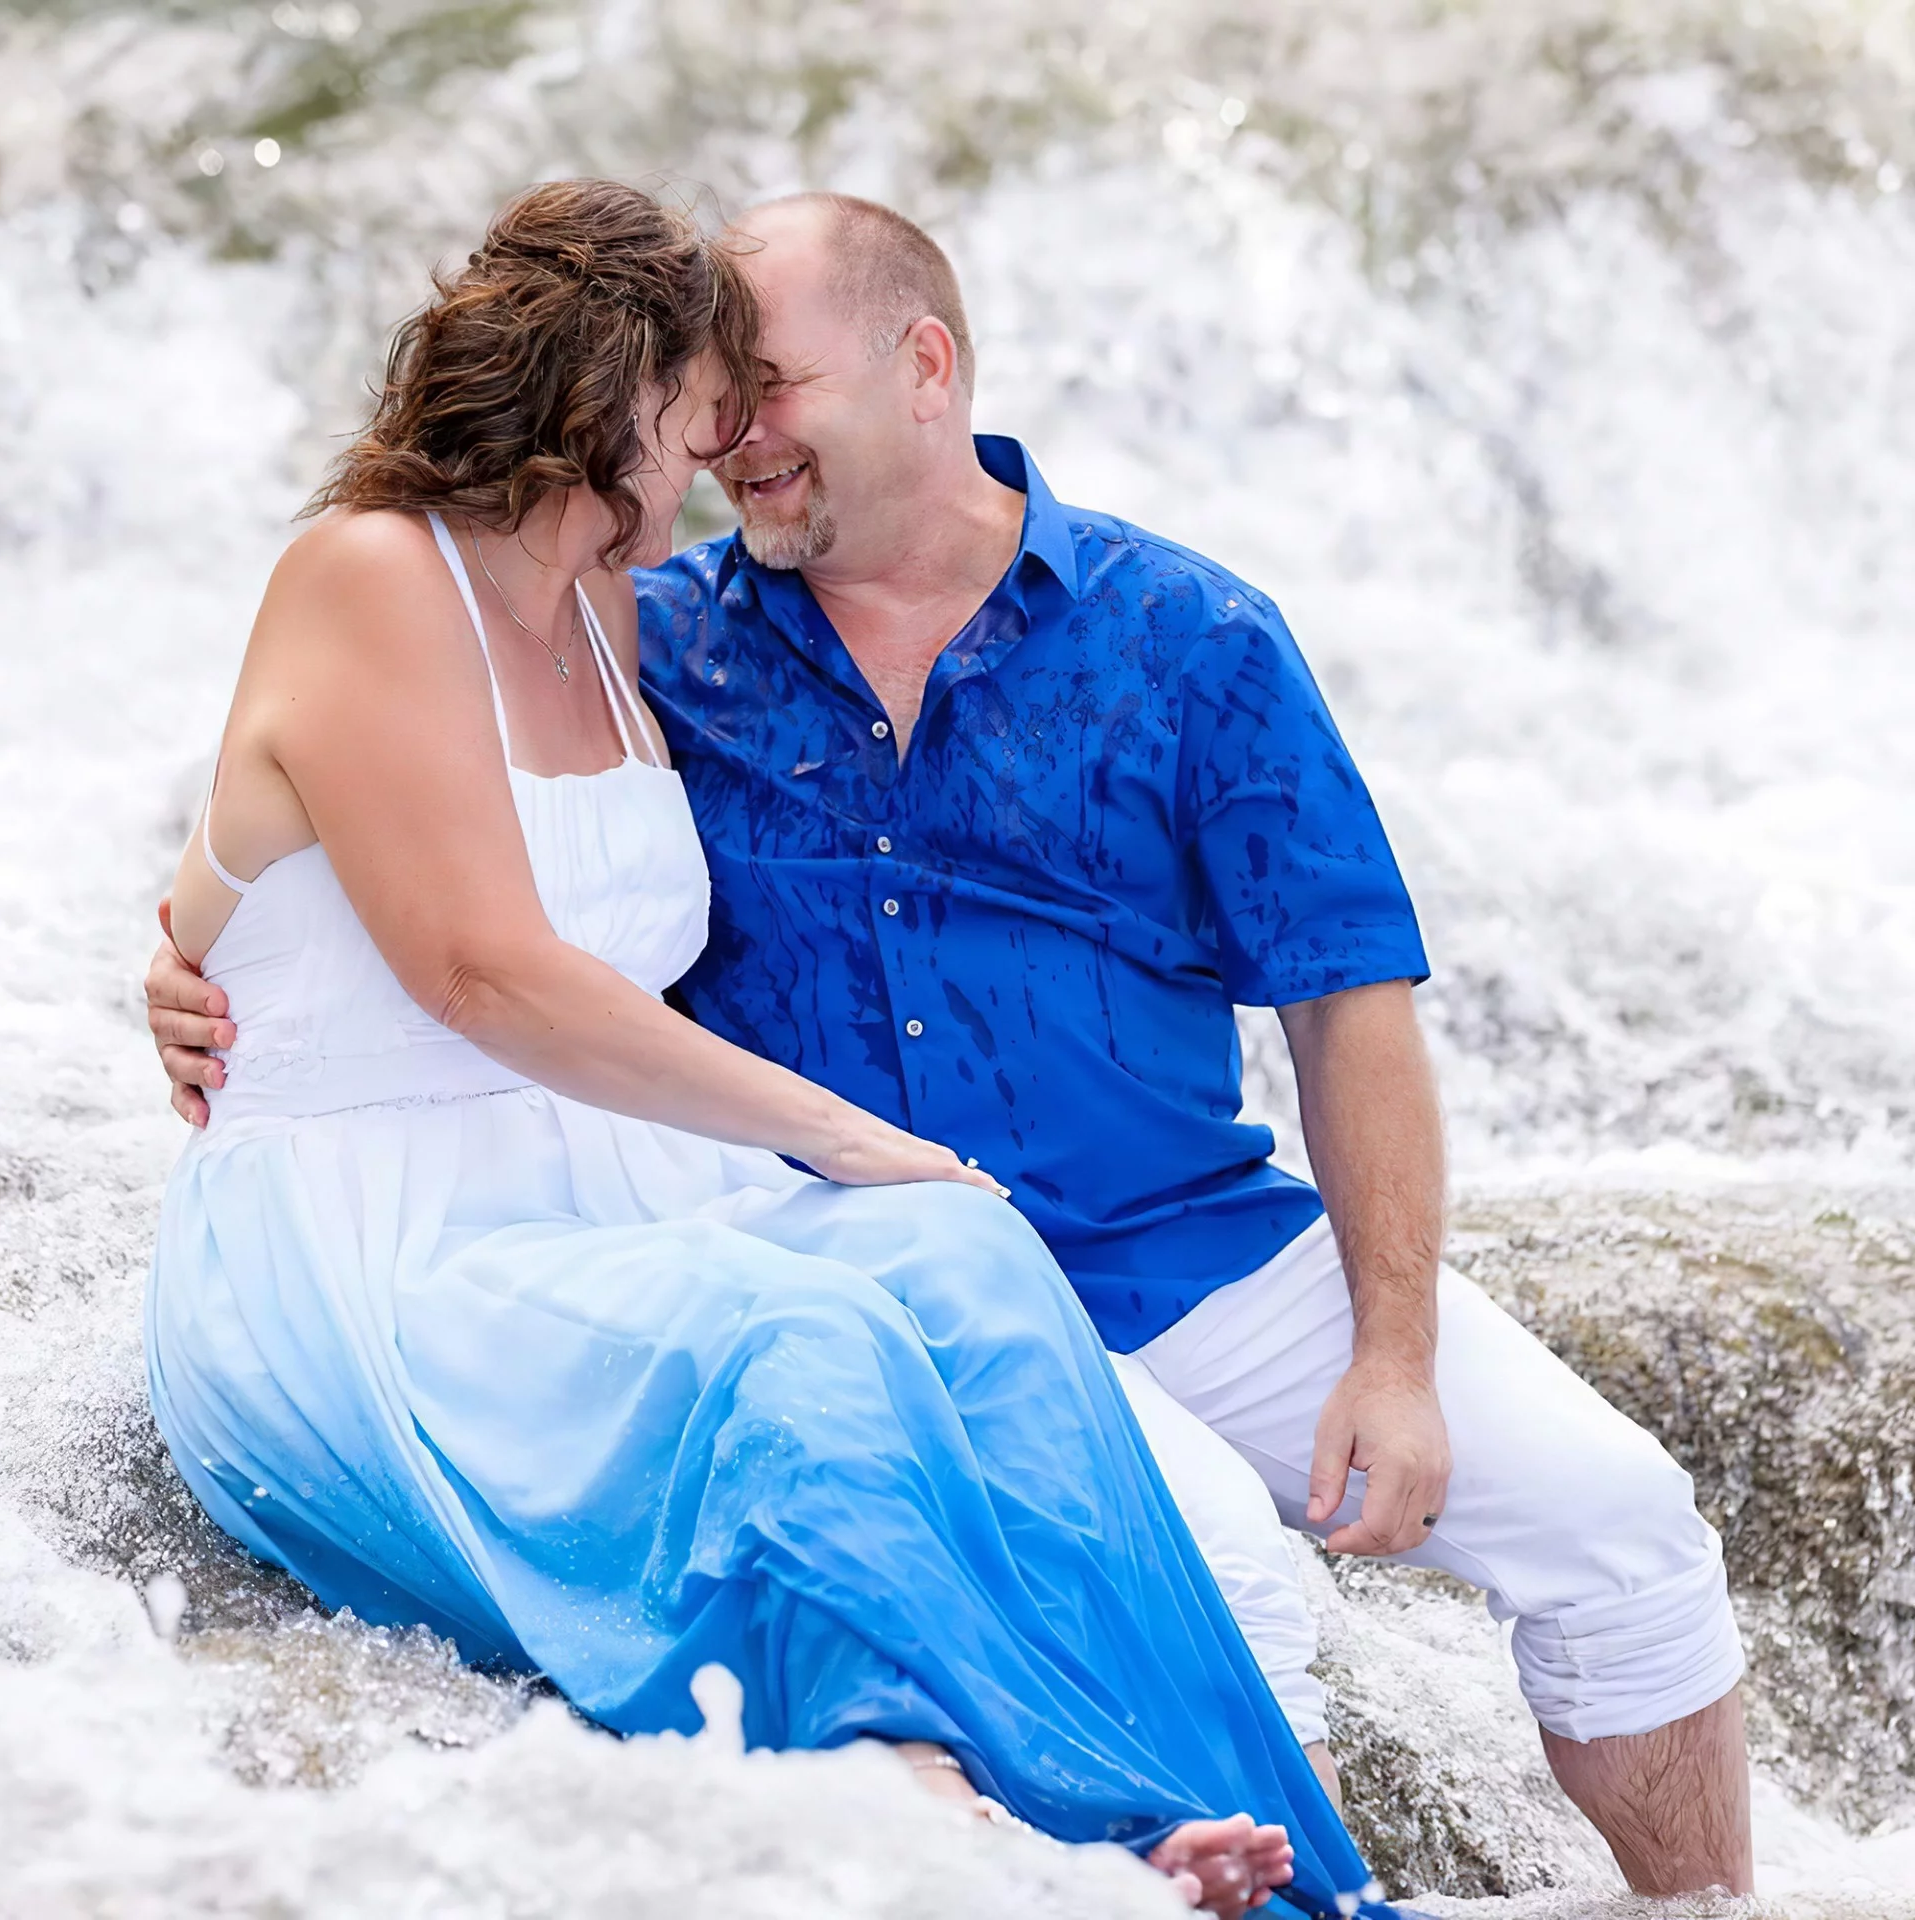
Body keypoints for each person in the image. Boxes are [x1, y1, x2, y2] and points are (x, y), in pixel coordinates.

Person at [146, 187, 1753, 1896]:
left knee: (1630, 1531)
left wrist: (1398, 1355)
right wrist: (190, 962)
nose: (732, 440)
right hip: (849, 1236)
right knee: (1226, 1572)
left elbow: (1350, 1008)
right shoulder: (661, 628)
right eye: (712, 395)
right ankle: (1231, 1878)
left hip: (1178, 1249)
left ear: (925, 365)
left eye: (767, 386)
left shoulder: (1187, 640)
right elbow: (372, 831)